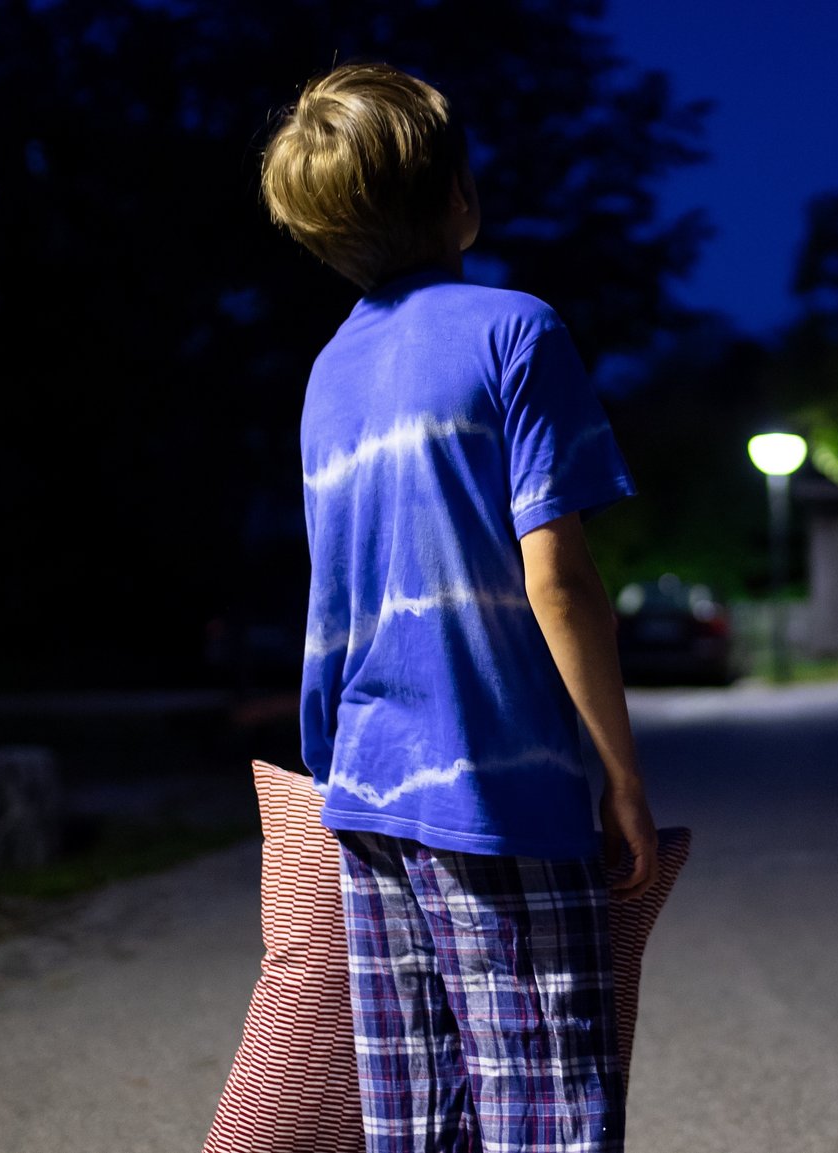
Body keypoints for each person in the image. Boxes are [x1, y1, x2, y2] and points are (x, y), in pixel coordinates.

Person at [259, 60, 656, 1153]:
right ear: (459, 200)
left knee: (418, 1129)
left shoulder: (328, 373)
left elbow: (338, 594)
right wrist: (620, 776)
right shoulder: (514, 333)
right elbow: (559, 581)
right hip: (496, 791)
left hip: (366, 799)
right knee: (549, 1115)